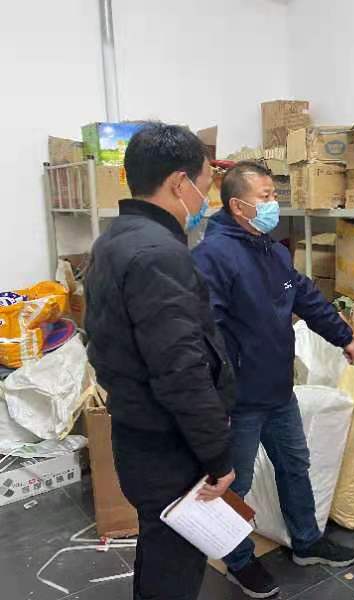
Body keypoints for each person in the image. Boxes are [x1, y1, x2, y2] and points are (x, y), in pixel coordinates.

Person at [192, 161, 354, 598]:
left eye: (274, 195)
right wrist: (217, 402)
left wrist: (344, 337)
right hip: (240, 401)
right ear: (238, 205)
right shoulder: (212, 258)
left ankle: (307, 541)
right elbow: (207, 336)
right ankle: (239, 561)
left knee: (294, 465)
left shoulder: (273, 251)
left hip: (279, 392)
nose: (273, 205)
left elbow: (307, 297)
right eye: (265, 197)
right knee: (236, 485)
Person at [85, 123, 236, 600]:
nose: (207, 199)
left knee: (160, 550)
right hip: (168, 444)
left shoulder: (113, 240)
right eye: (207, 185)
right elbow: (181, 371)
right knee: (174, 565)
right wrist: (217, 456)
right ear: (179, 183)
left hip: (136, 430)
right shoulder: (158, 254)